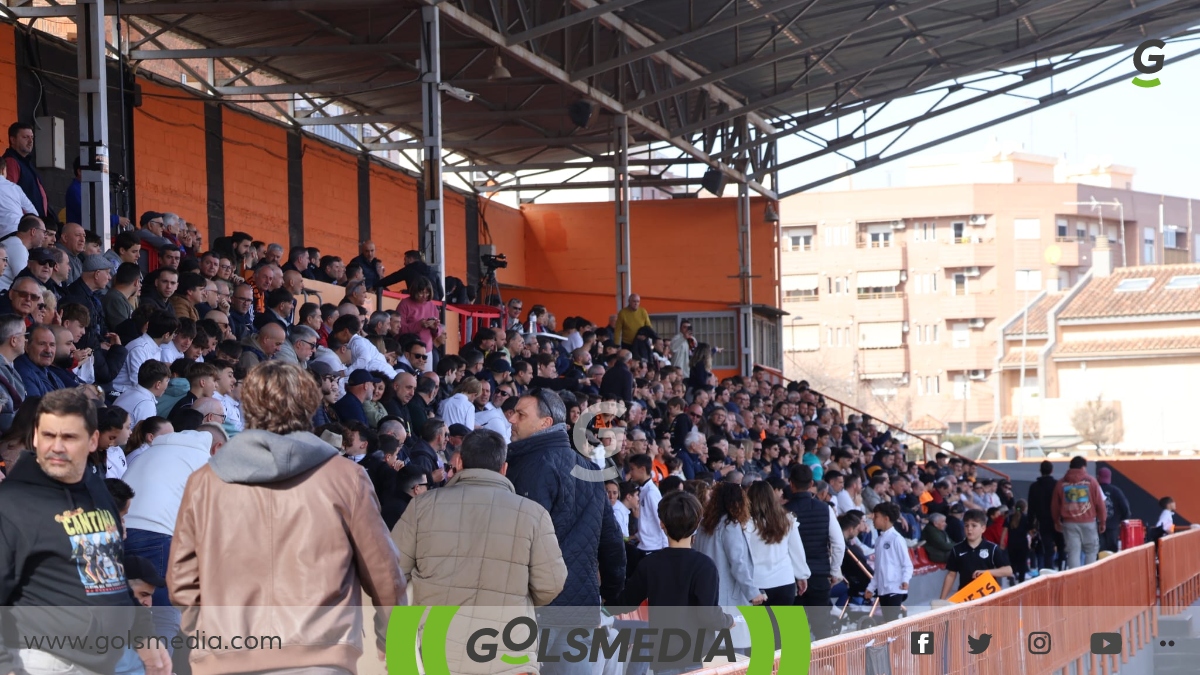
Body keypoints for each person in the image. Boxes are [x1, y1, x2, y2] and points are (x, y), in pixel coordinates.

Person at [168, 361, 406, 674]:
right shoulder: (346, 477)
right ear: (309, 407)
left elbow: (182, 581)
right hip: (317, 657)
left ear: (247, 408)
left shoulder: (205, 481)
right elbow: (384, 574)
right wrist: (392, 642)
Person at [0, 388, 170, 675]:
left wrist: (144, 635)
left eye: (69, 436)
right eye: (49, 435)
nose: (57, 446)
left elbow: (111, 575)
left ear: (93, 440)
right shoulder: (15, 502)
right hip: (40, 660)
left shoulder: (97, 493)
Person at [392, 429, 567, 675]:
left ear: (460, 462)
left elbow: (391, 573)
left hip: (436, 651)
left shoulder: (422, 506)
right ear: (504, 468)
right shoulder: (533, 514)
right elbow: (551, 583)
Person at [504, 388, 625, 674]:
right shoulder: (588, 468)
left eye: (520, 414)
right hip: (581, 608)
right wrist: (610, 592)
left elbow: (522, 541)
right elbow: (612, 542)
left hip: (536, 609)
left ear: (545, 423)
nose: (511, 419)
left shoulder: (529, 466)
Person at [611, 491, 735, 675]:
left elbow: (624, 603)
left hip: (663, 655)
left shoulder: (649, 564)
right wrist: (728, 621)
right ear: (697, 524)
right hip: (699, 656)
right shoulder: (705, 566)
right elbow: (708, 614)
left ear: (662, 524)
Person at [122, 429, 218, 653]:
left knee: (126, 613)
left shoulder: (149, 453)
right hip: (158, 534)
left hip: (120, 530)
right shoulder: (203, 461)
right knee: (165, 615)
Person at [784, 464, 845, 640]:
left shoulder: (782, 512)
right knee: (822, 626)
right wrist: (834, 570)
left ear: (791, 483)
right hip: (819, 575)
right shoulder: (825, 509)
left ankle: (798, 666)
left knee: (795, 630)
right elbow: (839, 544)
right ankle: (827, 666)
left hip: (792, 577)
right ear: (811, 483)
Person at [692, 482, 765, 607]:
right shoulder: (729, 525)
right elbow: (737, 562)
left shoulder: (703, 524)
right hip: (727, 595)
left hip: (705, 591)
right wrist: (752, 592)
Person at [745, 480, 810, 609]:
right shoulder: (787, 519)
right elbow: (797, 551)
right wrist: (802, 575)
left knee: (759, 629)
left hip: (757, 584)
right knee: (785, 628)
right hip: (784, 581)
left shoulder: (745, 524)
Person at [940, 508, 1015, 599]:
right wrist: (942, 599)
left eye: (974, 526)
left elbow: (1008, 570)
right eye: (966, 526)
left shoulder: (992, 548)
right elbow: (951, 575)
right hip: (965, 597)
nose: (969, 529)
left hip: (988, 597)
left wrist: (987, 573)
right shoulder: (957, 549)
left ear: (983, 528)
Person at [1051, 456, 1105, 569]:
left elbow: (1055, 505)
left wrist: (1056, 521)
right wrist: (1102, 521)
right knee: (1091, 550)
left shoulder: (1061, 483)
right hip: (1089, 521)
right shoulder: (1091, 482)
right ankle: (1089, 577)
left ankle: (1075, 580)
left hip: (1069, 523)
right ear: (1083, 467)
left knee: (1073, 552)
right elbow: (1100, 503)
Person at [863, 503, 912, 623]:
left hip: (895, 588)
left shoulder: (897, 539)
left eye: (876, 516)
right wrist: (871, 588)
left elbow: (907, 564)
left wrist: (905, 580)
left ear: (886, 519)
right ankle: (893, 641)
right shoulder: (879, 540)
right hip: (883, 589)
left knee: (891, 621)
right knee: (888, 621)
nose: (873, 519)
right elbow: (878, 569)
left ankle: (896, 641)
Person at [3, 123, 54, 224]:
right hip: (25, 225)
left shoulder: (26, 162)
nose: (30, 141)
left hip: (35, 223)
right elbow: (8, 195)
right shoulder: (11, 161)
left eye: (32, 137)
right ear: (13, 140)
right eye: (25, 137)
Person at [1027, 460, 1062, 570]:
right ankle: (1061, 568)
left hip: (1042, 521)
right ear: (1052, 470)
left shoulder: (1034, 487)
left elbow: (1031, 507)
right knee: (1061, 546)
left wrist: (1030, 526)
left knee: (1048, 548)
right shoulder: (1057, 485)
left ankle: (1048, 569)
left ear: (1040, 471)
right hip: (1057, 520)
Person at [1096, 467, 1131, 553]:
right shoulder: (1116, 491)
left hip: (1096, 525)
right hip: (1113, 525)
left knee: (1099, 550)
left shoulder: (1094, 489)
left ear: (1098, 477)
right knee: (1112, 550)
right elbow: (1125, 508)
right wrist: (1121, 520)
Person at [1006, 499, 1032, 582]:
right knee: (1022, 563)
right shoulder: (1026, 518)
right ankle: (1021, 580)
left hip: (1011, 543)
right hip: (1022, 543)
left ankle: (1012, 577)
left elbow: (1004, 531)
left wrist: (1002, 543)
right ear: (1025, 508)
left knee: (1013, 562)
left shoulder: (1009, 517)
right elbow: (1030, 531)